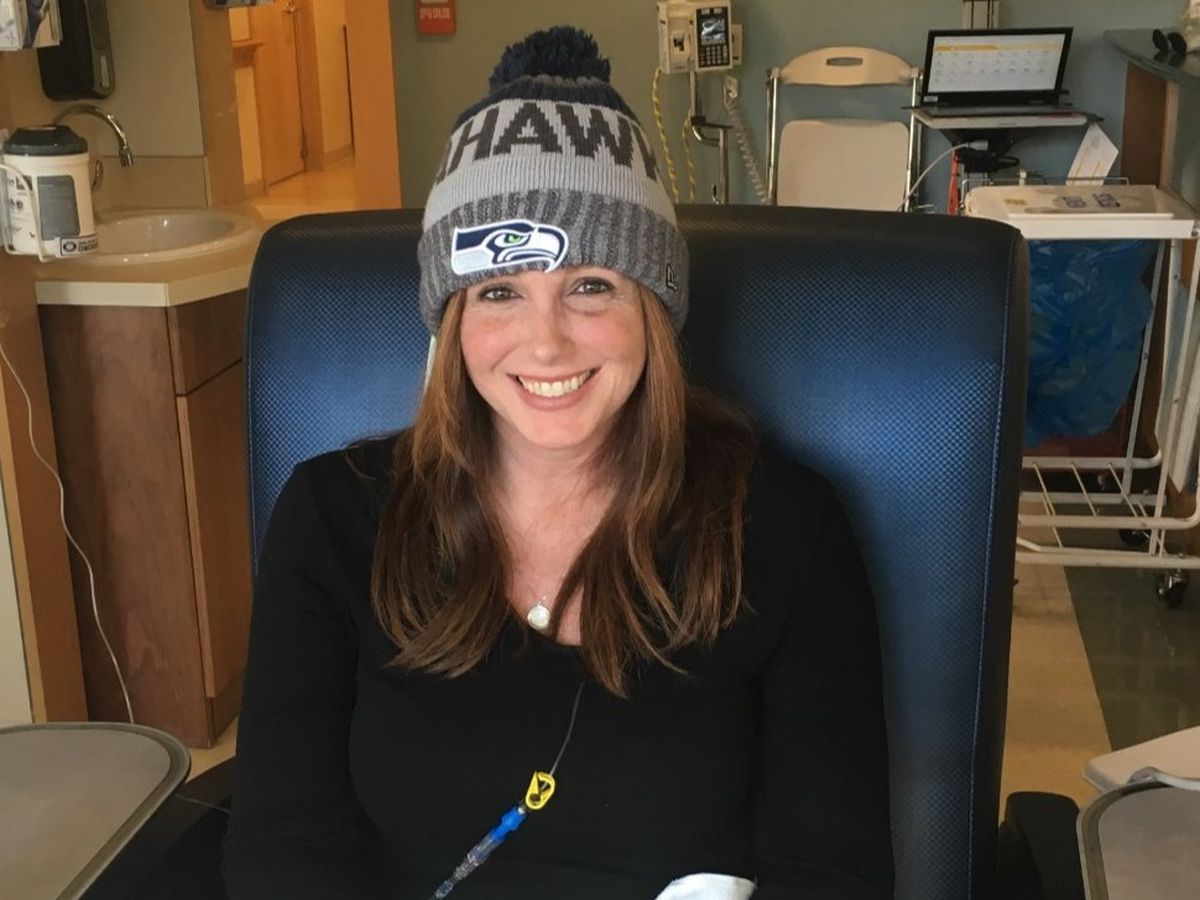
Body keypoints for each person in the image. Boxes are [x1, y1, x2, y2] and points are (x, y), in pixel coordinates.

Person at [223, 26, 892, 900]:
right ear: (453, 321)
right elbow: (283, 843)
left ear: (652, 309)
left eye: (590, 286)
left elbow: (832, 871)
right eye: (500, 291)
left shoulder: (781, 531)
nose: (545, 343)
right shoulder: (334, 517)